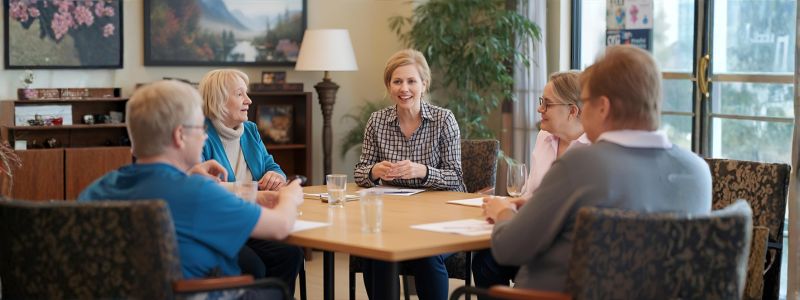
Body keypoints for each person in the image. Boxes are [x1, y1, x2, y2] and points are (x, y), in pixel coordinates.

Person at [483, 45, 712, 291]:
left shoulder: (579, 165)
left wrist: (504, 211)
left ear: (602, 107)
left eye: (584, 101)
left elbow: (508, 248)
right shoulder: (698, 173)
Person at [78, 80, 303, 283]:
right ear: (179, 136)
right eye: (200, 129)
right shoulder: (198, 192)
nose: (205, 136)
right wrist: (290, 196)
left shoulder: (96, 190)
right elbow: (280, 226)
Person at [353, 49, 464, 299]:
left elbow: (456, 177)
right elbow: (360, 172)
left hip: (440, 219)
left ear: (424, 84)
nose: (404, 88)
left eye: (412, 81)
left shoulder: (443, 120)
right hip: (393, 219)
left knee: (426, 253)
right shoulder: (377, 121)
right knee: (376, 251)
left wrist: (423, 171)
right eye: (397, 81)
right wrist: (374, 170)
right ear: (389, 86)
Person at [472, 70, 590, 291]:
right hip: (532, 229)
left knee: (495, 256)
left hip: (557, 246)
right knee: (486, 261)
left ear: (572, 111)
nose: (539, 109)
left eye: (547, 104)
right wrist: (512, 205)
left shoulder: (592, 150)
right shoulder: (544, 138)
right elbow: (530, 192)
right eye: (540, 102)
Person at [198, 69, 304, 293]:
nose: (248, 100)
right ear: (218, 99)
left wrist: (276, 176)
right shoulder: (200, 135)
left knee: (290, 254)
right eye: (239, 94)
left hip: (252, 220)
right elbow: (202, 186)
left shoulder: (250, 131)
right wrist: (252, 191)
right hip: (222, 225)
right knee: (253, 266)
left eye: (246, 93)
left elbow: (271, 166)